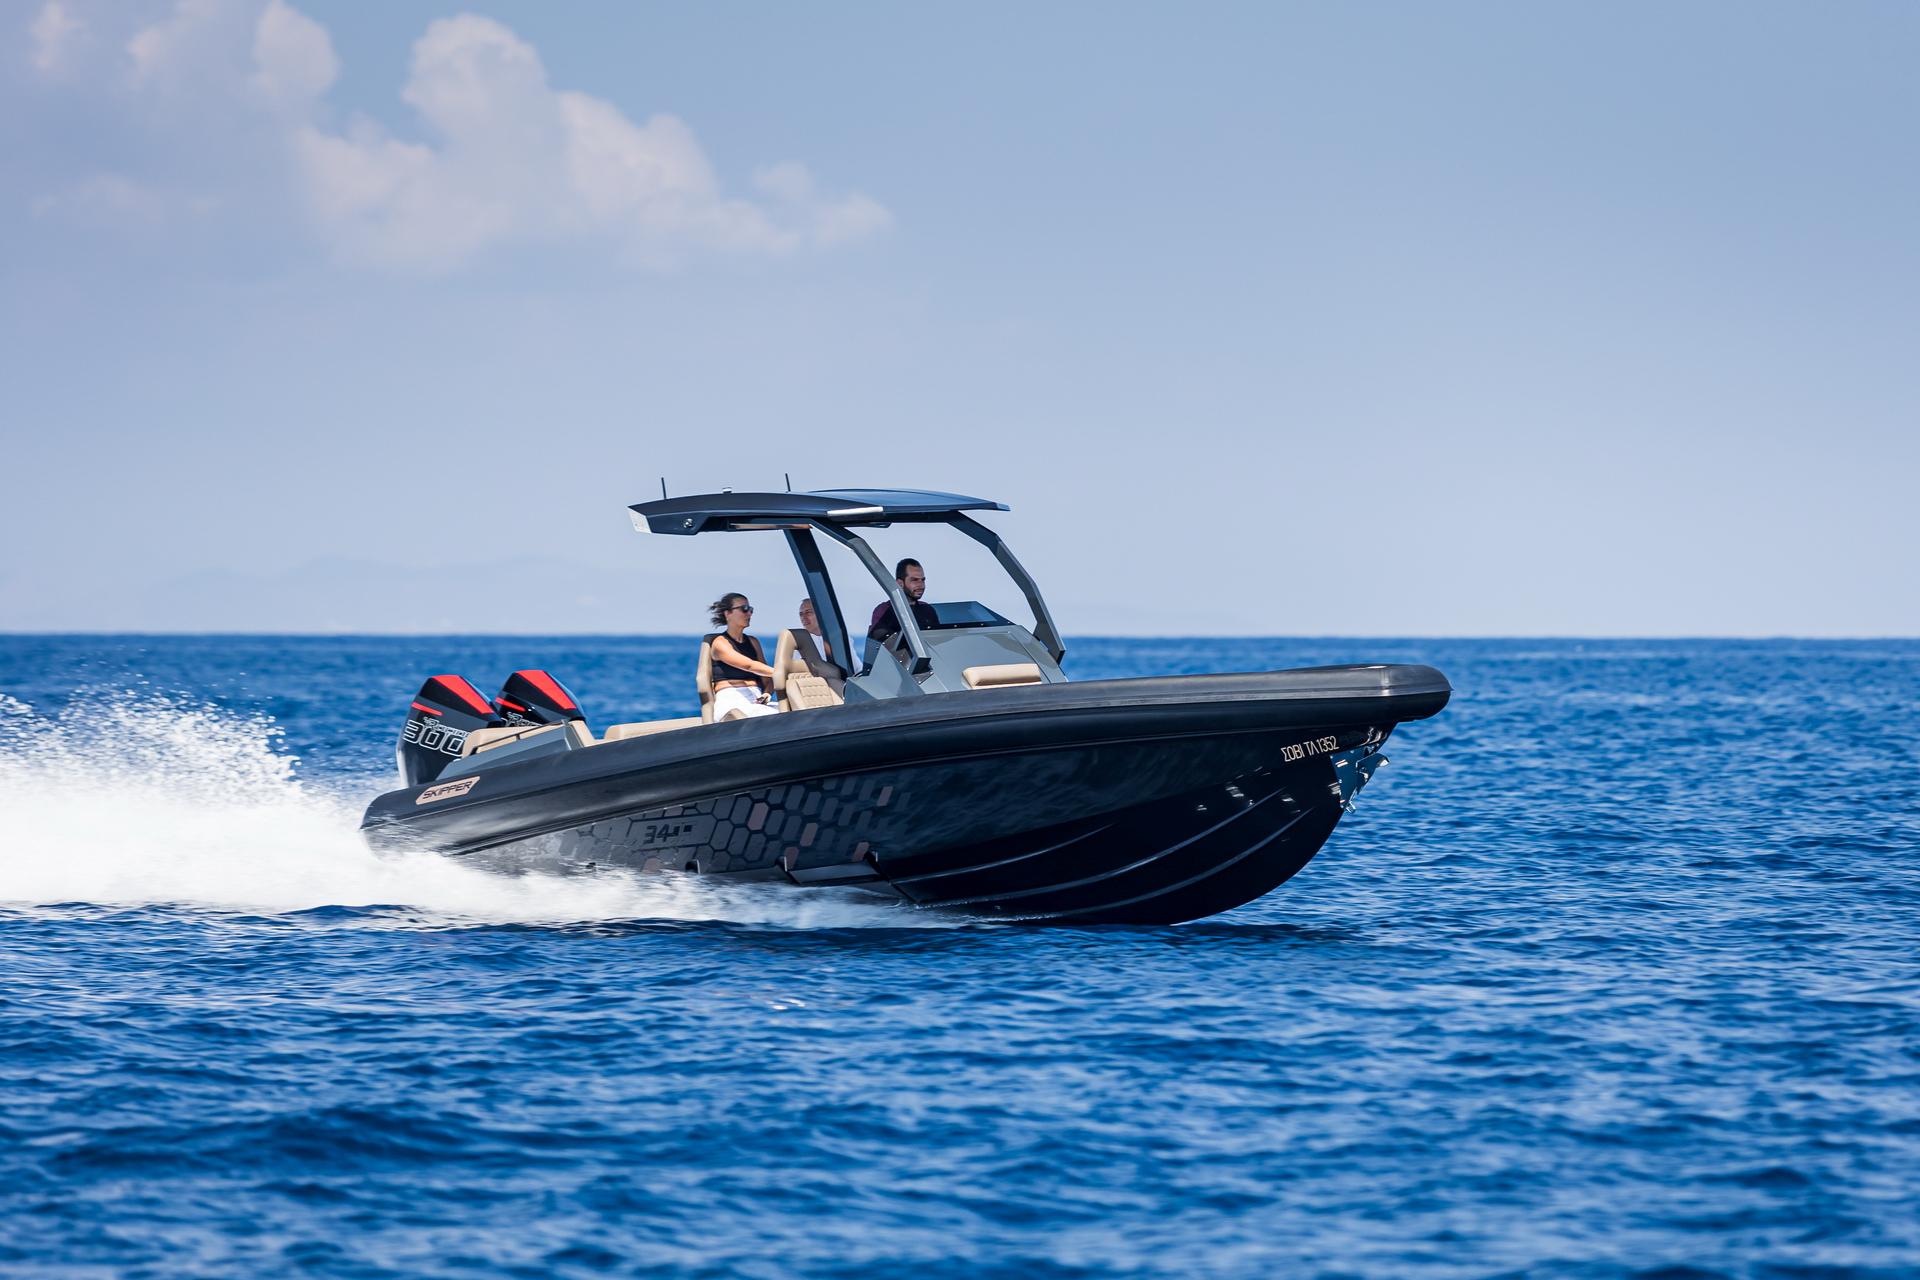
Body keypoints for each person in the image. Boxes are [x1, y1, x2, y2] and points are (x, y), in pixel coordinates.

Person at [706, 593, 779, 719]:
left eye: (750, 610)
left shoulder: (753, 642)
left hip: (756, 698)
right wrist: (782, 672)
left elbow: (767, 678)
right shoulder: (720, 643)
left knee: (792, 711)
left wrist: (767, 693)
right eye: (744, 609)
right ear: (727, 613)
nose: (749, 614)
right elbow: (749, 665)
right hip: (731, 699)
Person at [867, 558, 937, 645]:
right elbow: (879, 645)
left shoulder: (927, 610)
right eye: (914, 580)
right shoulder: (885, 610)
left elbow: (937, 644)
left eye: (922, 580)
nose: (921, 585)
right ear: (900, 583)